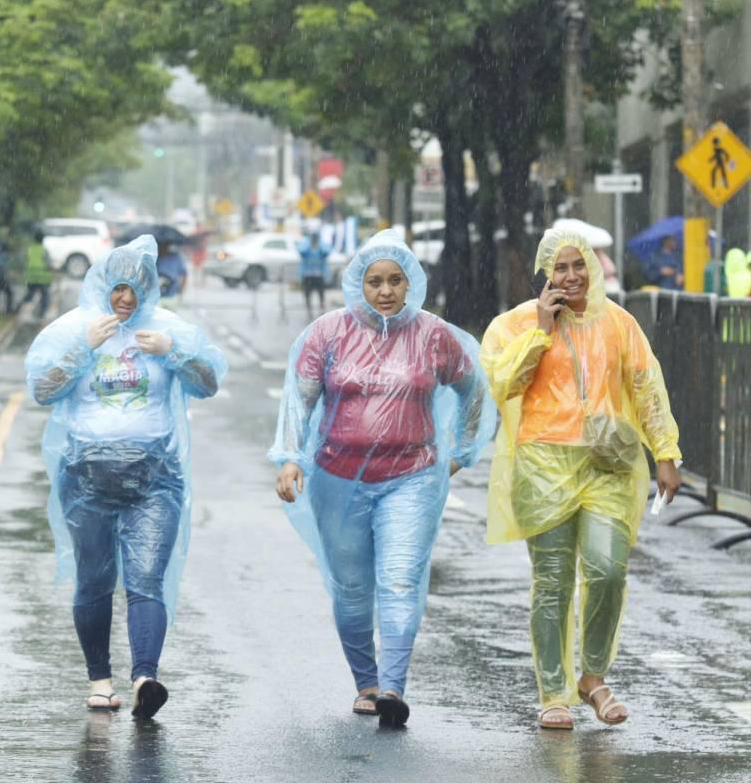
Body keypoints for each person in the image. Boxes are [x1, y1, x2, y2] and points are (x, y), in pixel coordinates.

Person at [270, 228, 495, 728]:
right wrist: (289, 458)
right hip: (338, 476)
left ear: (411, 282)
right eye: (375, 281)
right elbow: (298, 400)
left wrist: (461, 451)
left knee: (398, 580)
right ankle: (365, 682)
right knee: (351, 588)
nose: (386, 291)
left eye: (396, 280)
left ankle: (393, 686)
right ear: (359, 283)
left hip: (411, 479)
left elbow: (474, 390)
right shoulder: (327, 334)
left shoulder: (434, 335)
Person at [480, 228, 681, 730]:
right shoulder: (514, 325)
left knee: (607, 570)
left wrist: (665, 453)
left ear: (591, 266)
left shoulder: (618, 322)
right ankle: (553, 692)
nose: (570, 277)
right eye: (559, 268)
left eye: (578, 266)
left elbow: (645, 386)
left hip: (608, 465)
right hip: (543, 464)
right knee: (552, 582)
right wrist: (541, 330)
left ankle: (592, 677)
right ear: (544, 275)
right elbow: (500, 382)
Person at [25, 235, 226, 719]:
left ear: (150, 290)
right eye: (118, 287)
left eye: (136, 288)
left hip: (154, 478)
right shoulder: (73, 327)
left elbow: (209, 382)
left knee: (146, 580)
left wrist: (174, 351)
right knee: (93, 581)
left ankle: (145, 677)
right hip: (86, 477)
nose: (126, 298)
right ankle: (99, 679)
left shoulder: (169, 328)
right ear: (101, 284)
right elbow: (42, 390)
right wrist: (82, 348)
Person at [21, 226, 53, 319]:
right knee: (44, 296)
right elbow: (48, 263)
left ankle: (18, 309)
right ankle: (41, 313)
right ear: (42, 239)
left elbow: (24, 261)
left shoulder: (30, 249)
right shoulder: (44, 250)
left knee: (30, 294)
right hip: (42, 277)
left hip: (31, 276)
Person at [297, 231, 330, 318]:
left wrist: (318, 246)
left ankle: (321, 310)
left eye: (316, 237)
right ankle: (309, 311)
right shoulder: (306, 244)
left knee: (321, 294)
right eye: (313, 237)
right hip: (307, 275)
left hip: (319, 275)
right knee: (307, 294)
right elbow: (301, 251)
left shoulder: (321, 245)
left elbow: (326, 252)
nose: (314, 239)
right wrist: (309, 244)